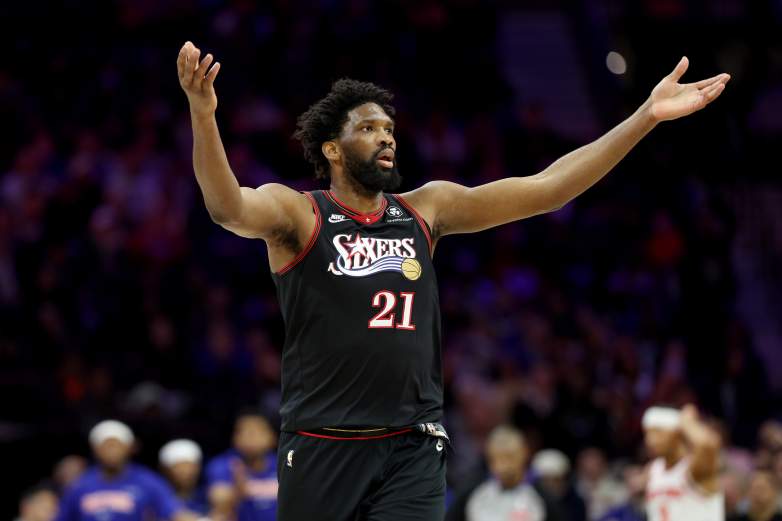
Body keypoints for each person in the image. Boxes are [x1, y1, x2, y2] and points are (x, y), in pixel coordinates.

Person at [176, 38, 729, 520]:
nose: (386, 137)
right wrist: (204, 113)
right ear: (332, 149)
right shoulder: (300, 214)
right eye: (368, 128)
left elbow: (549, 188)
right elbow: (227, 209)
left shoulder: (426, 208)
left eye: (389, 128)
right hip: (323, 443)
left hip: (413, 444)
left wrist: (645, 117)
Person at [54, 420, 192, 521]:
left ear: (129, 448)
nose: (111, 451)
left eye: (116, 445)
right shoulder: (79, 485)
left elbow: (175, 513)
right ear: (95, 449)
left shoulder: (148, 481)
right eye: (106, 446)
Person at [643, 405, 724, 520]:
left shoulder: (693, 467)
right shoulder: (652, 470)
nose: (650, 440)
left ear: (677, 432)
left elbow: (707, 445)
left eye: (658, 432)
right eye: (647, 433)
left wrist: (687, 423)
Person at [466, 425, 561, 521]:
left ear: (524, 454)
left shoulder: (542, 497)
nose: (504, 467)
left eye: (510, 457)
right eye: (497, 459)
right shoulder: (474, 492)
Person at [205, 411, 278, 521]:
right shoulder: (223, 464)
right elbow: (219, 504)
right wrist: (238, 490)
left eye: (256, 432)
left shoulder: (283, 464)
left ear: (271, 437)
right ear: (235, 438)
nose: (251, 439)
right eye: (244, 433)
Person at [533, 449, 587, 521]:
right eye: (547, 480)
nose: (552, 485)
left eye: (557, 480)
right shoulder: (529, 502)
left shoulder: (576, 504)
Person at [160, 439, 209, 515]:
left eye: (191, 466)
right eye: (179, 467)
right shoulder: (157, 496)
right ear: (166, 470)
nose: (186, 472)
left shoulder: (207, 495)